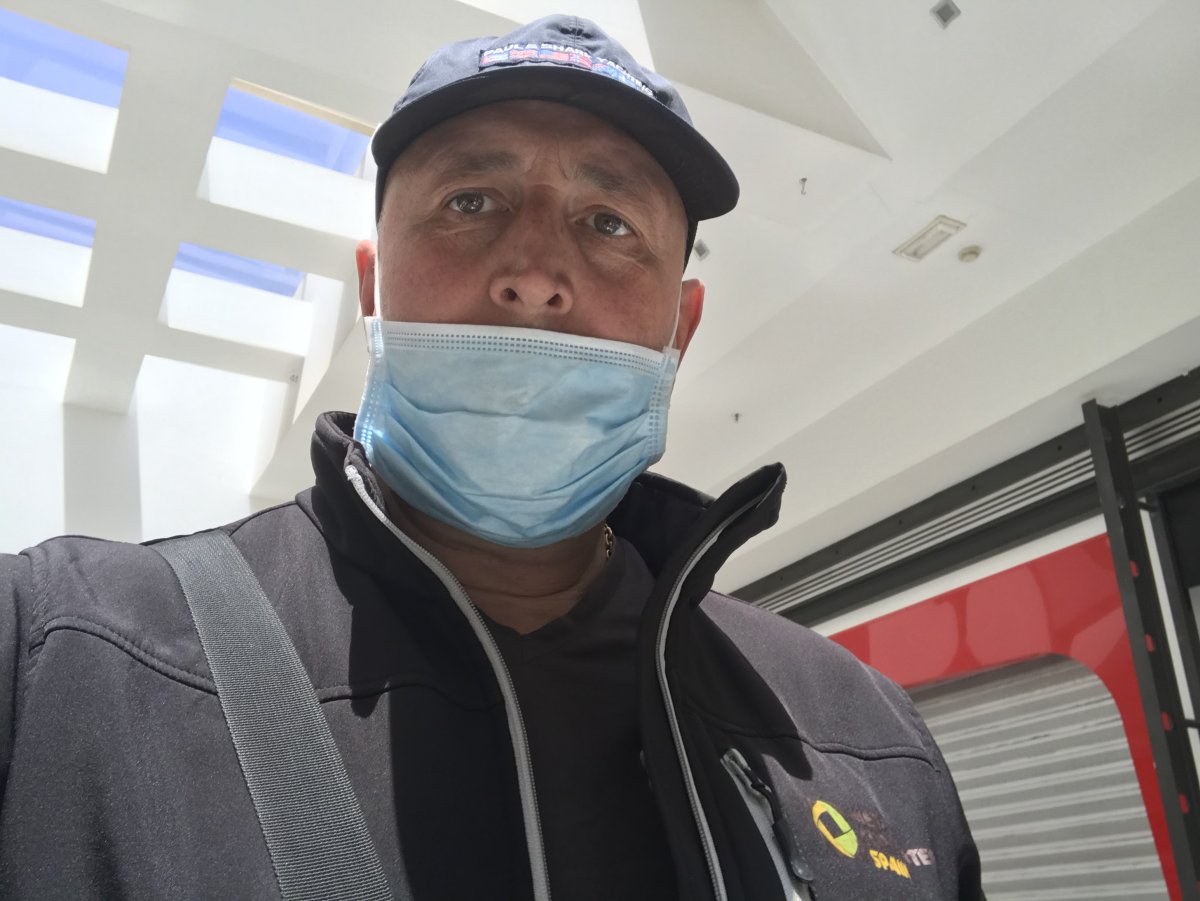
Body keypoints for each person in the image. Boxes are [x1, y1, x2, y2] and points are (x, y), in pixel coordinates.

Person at [0, 14, 983, 901]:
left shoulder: (866, 737)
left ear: (678, 331)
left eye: (609, 223)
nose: (535, 275)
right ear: (373, 291)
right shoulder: (56, 659)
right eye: (471, 201)